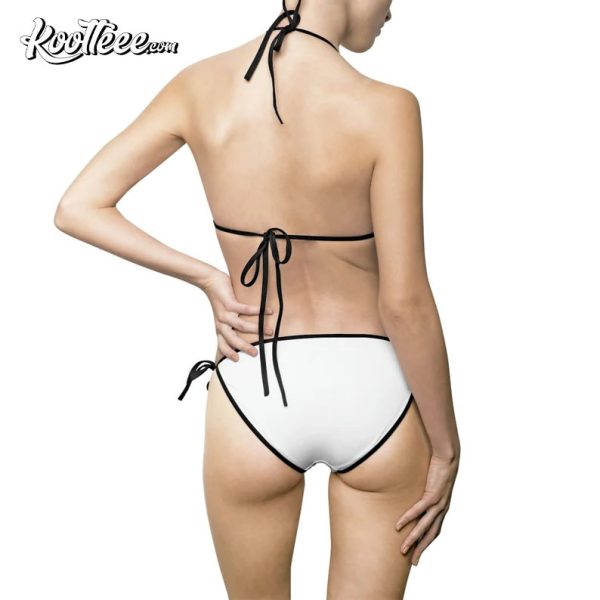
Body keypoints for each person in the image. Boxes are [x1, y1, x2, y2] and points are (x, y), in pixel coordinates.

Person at [54, 0, 461, 597]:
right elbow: (405, 303)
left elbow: (78, 206)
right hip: (377, 393)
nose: (392, 9)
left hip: (253, 388)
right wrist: (446, 447)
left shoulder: (199, 87)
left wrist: (210, 279)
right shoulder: (389, 107)